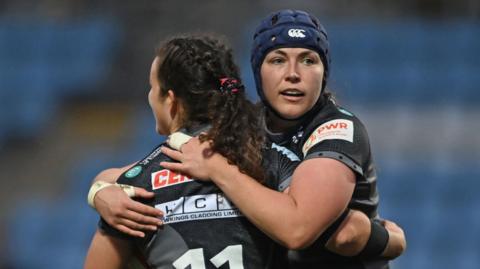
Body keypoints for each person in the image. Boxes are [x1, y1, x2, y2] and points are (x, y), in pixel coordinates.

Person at [88, 9, 406, 269]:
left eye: (309, 60)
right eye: (277, 60)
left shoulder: (336, 129)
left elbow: (303, 229)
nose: (293, 73)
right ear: (258, 71)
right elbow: (144, 171)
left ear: (324, 73)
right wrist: (103, 192)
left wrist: (218, 171)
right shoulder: (244, 128)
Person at [84, 34, 287, 268]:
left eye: (152, 88)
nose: (150, 96)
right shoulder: (274, 158)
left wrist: (100, 190)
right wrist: (100, 188)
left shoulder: (133, 195)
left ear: (171, 101)